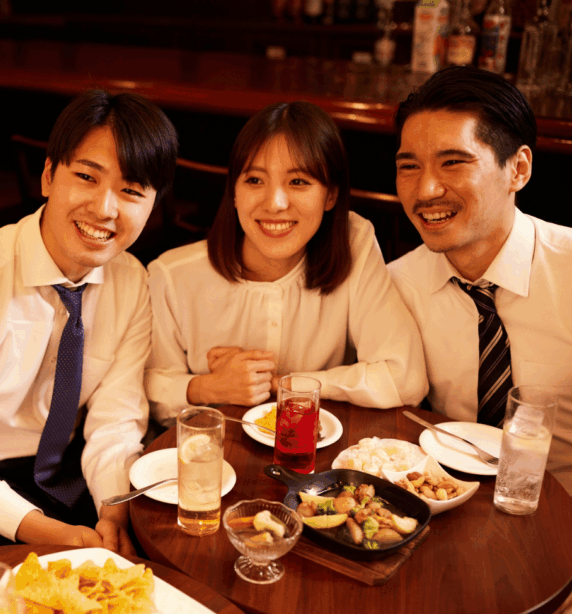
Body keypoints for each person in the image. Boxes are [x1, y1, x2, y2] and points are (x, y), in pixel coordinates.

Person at [0, 89, 178, 555]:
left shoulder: (131, 281)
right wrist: (53, 535)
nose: (104, 209)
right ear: (48, 176)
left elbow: (115, 421)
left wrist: (113, 511)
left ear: (152, 206)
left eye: (130, 191)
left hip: (74, 470)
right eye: (86, 177)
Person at [387, 66, 572, 614]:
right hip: (440, 533)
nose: (425, 190)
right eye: (408, 166)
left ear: (518, 168)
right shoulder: (394, 286)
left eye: (453, 162)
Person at [145, 100, 427, 427]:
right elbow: (149, 394)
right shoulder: (172, 275)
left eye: (298, 182)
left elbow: (404, 379)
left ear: (331, 195)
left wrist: (282, 384)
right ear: (234, 192)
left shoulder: (353, 243)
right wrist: (209, 386)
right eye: (255, 180)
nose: (275, 203)